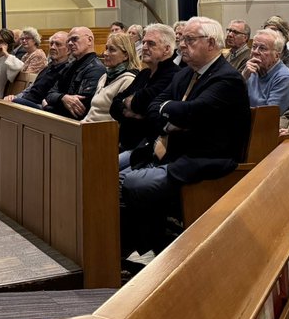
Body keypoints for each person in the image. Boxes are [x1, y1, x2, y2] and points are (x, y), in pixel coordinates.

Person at [119, 17, 250, 257]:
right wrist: (171, 119)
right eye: (181, 40)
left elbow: (190, 112)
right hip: (172, 149)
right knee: (117, 178)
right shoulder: (184, 74)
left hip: (205, 158)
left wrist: (171, 111)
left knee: (133, 182)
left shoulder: (227, 78)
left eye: (189, 40)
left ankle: (149, 249)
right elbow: (153, 108)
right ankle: (142, 248)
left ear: (211, 43)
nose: (182, 46)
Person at [110, 23, 182, 151]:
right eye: (143, 43)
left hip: (146, 146)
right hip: (124, 142)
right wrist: (130, 111)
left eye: (151, 44)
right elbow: (114, 105)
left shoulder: (174, 75)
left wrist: (129, 103)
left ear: (166, 49)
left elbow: (144, 106)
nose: (144, 47)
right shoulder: (144, 73)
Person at [42, 27, 106, 118]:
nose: (70, 43)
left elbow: (80, 109)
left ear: (89, 40)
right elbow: (50, 93)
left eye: (75, 39)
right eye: (68, 41)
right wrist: (62, 98)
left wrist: (48, 107)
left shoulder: (96, 69)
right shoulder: (70, 66)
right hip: (60, 119)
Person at [83, 32, 142, 123]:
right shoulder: (104, 76)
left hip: (104, 133)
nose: (105, 53)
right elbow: (93, 111)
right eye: (106, 48)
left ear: (126, 55)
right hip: (87, 128)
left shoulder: (129, 80)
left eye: (112, 50)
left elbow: (118, 119)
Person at [9, 31, 71, 106]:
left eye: (58, 44)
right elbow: (31, 88)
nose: (52, 47)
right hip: (26, 102)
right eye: (51, 44)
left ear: (68, 50)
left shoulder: (67, 71)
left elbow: (54, 97)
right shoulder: (48, 67)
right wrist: (15, 97)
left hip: (39, 108)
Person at [244, 28, 289, 114]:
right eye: (254, 47)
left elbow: (267, 116)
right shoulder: (251, 71)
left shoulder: (284, 78)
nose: (255, 52)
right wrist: (243, 78)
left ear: (276, 55)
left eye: (262, 48)